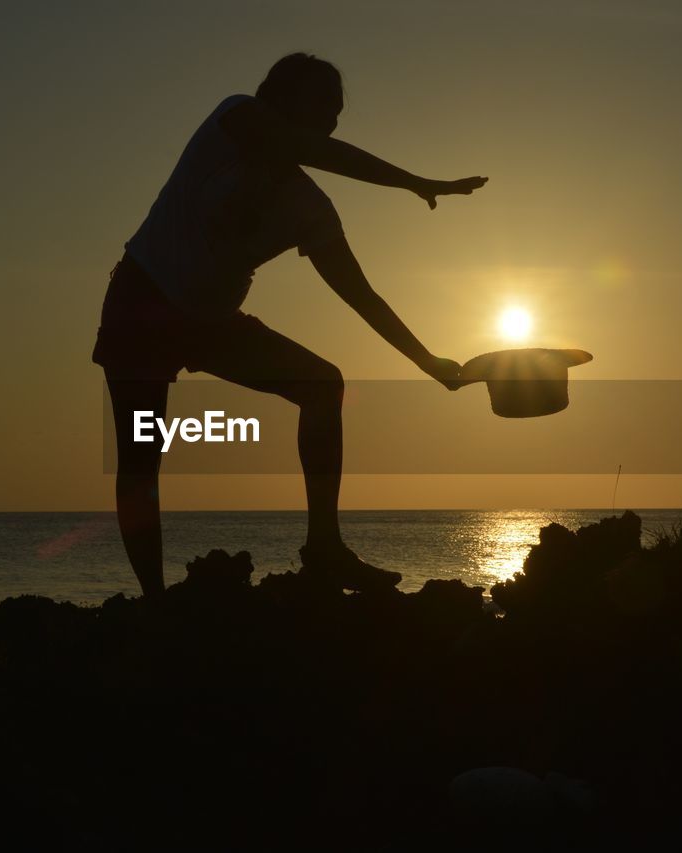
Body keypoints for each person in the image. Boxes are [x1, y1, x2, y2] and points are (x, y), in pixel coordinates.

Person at [92, 53, 487, 596]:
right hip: (143, 305)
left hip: (212, 323)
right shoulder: (236, 118)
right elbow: (311, 149)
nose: (332, 119)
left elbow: (361, 294)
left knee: (323, 385)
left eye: (338, 111)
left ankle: (323, 549)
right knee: (142, 459)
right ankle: (156, 604)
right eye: (324, 104)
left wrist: (430, 363)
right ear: (279, 96)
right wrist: (414, 182)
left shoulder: (310, 208)